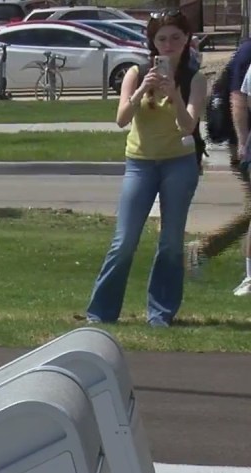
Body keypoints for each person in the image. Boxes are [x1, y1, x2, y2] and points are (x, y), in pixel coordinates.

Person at [85, 10, 206, 328]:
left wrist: (175, 97)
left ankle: (160, 313)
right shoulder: (136, 73)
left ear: (186, 40)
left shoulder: (195, 78)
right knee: (124, 240)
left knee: (170, 240)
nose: (168, 46)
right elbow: (122, 119)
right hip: (140, 163)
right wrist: (142, 90)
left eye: (176, 38)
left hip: (179, 163)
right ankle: (101, 313)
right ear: (152, 42)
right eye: (162, 39)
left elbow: (187, 125)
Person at [186, 36, 251, 298]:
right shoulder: (248, 50)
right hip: (244, 142)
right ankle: (201, 251)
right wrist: (243, 143)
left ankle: (202, 252)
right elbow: (238, 97)